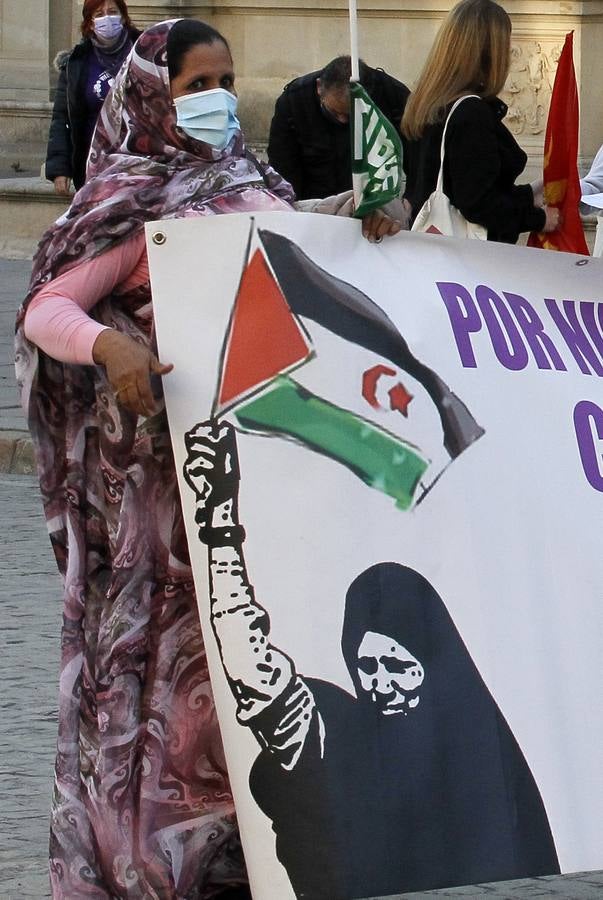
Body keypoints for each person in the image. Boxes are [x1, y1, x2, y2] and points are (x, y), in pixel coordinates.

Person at [16, 18, 399, 899]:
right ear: (152, 91)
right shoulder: (127, 197)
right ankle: (153, 856)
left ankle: (250, 848)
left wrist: (357, 214)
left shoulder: (251, 179)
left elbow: (292, 244)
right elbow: (48, 307)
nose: (217, 97)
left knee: (259, 652)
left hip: (265, 481)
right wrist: (108, 350)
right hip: (163, 490)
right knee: (168, 669)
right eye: (196, 83)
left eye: (225, 78)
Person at [182, 420, 561, 899]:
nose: (382, 682)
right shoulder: (336, 736)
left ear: (435, 666)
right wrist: (220, 529)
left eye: (400, 667)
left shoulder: (482, 753)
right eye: (368, 666)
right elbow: (252, 670)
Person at [402, 0, 559, 243]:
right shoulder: (471, 114)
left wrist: (528, 195)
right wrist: (537, 219)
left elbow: (457, 185)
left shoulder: (425, 104)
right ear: (491, 53)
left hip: (430, 248)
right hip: (470, 262)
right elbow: (478, 204)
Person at [267, 55, 410, 200]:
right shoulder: (295, 101)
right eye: (334, 112)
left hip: (373, 202)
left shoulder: (393, 97)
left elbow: (417, 160)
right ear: (319, 87)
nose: (342, 121)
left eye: (350, 115)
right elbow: (282, 167)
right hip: (313, 202)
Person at [45, 0, 140, 195]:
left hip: (139, 162)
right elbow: (62, 117)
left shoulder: (145, 52)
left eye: (113, 12)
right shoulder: (77, 63)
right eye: (99, 14)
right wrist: (60, 168)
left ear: (123, 17)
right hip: (93, 165)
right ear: (89, 23)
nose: (107, 18)